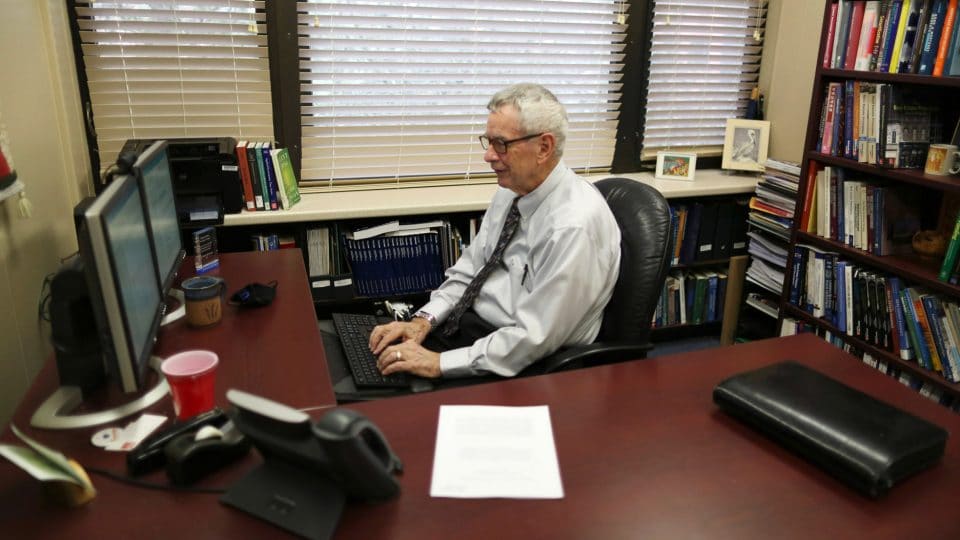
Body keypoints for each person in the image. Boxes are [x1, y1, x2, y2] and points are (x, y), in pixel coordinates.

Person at [368, 83, 621, 379]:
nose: (488, 156)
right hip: (473, 331)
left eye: (501, 144)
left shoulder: (573, 227)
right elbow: (471, 270)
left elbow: (532, 338)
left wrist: (437, 364)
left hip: (525, 363)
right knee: (359, 358)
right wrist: (423, 320)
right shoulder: (512, 191)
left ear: (544, 147)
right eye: (488, 141)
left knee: (386, 402)